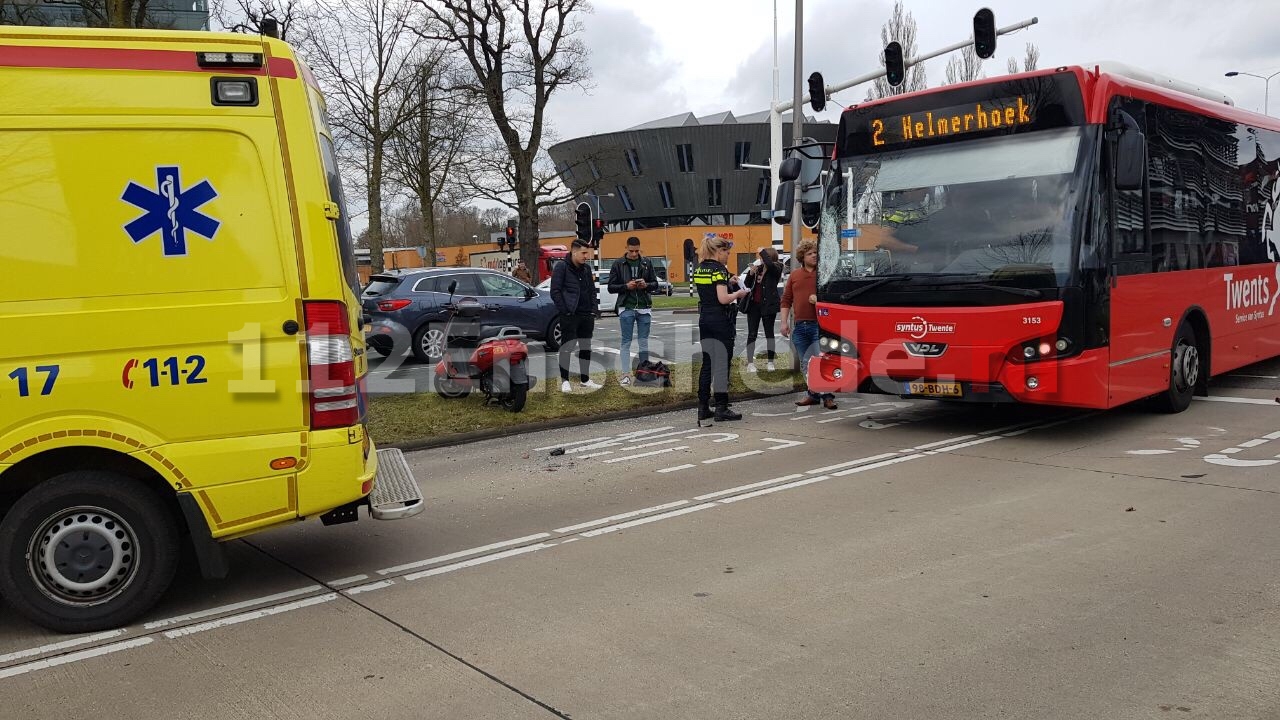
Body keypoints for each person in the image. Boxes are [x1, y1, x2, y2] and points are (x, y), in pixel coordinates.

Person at [693, 236, 749, 424]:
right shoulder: (719, 270)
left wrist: (729, 282)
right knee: (723, 363)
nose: (728, 256)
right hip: (721, 319)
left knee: (707, 363)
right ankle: (722, 408)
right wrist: (738, 293)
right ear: (719, 251)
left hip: (705, 319)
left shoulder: (700, 268)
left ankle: (702, 407)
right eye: (727, 252)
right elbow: (723, 299)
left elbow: (709, 291)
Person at [781, 239, 837, 410]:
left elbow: (834, 297)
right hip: (800, 326)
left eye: (815, 253)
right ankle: (813, 394)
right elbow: (786, 300)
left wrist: (819, 300)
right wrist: (783, 322)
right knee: (807, 364)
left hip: (819, 325)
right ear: (802, 257)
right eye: (810, 253)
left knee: (820, 361)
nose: (814, 256)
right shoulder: (795, 275)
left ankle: (827, 396)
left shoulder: (825, 273)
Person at [607, 236, 659, 386]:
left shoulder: (646, 262)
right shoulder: (618, 264)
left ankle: (643, 374)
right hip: (626, 307)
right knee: (626, 342)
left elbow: (655, 284)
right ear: (626, 248)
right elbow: (611, 287)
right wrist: (626, 286)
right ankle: (625, 375)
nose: (635, 254)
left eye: (637, 251)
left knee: (643, 343)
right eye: (632, 251)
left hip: (643, 307)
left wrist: (646, 285)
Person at [550, 240, 602, 392]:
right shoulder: (561, 267)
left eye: (588, 253)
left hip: (586, 315)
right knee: (567, 347)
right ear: (574, 252)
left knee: (586, 347)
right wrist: (565, 310)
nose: (587, 256)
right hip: (570, 315)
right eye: (584, 253)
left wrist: (593, 310)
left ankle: (585, 379)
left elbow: (592, 291)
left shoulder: (586, 269)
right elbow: (555, 291)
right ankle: (565, 380)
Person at [740, 246, 783, 373]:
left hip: (769, 305)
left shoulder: (776, 268)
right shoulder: (758, 269)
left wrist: (762, 252)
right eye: (761, 257)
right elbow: (747, 285)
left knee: (769, 334)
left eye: (763, 257)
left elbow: (770, 264)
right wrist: (751, 273)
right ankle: (750, 363)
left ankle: (770, 362)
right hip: (754, 305)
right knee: (751, 334)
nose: (761, 259)